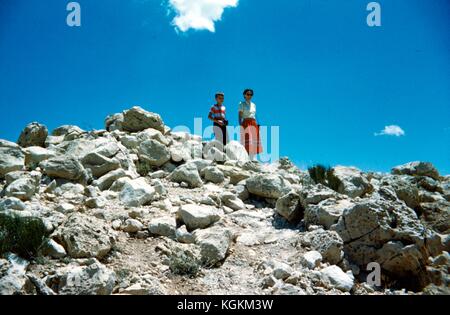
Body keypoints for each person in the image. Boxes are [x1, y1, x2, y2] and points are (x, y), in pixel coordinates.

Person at [239, 89, 263, 160]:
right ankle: (246, 158)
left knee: (254, 140)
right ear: (244, 95)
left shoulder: (254, 105)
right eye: (248, 94)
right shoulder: (241, 104)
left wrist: (258, 124)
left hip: (254, 122)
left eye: (251, 95)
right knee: (247, 139)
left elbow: (254, 115)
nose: (249, 96)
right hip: (246, 122)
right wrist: (240, 124)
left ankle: (253, 158)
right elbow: (240, 115)